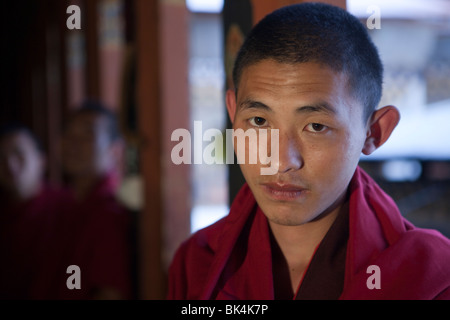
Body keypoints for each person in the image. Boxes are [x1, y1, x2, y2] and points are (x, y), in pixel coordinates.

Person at [167, 3, 450, 300]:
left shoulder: (429, 278)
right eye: (259, 121)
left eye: (315, 126)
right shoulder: (197, 263)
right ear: (233, 112)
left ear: (373, 132)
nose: (280, 161)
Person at [56, 100, 132, 299]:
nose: (73, 143)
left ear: (115, 150)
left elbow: (110, 293)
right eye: (68, 134)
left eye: (87, 136)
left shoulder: (109, 212)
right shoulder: (66, 204)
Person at [0, 124, 66, 299]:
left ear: (41, 160)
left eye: (19, 154)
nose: (9, 164)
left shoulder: (66, 207)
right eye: (1, 157)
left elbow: (77, 273)